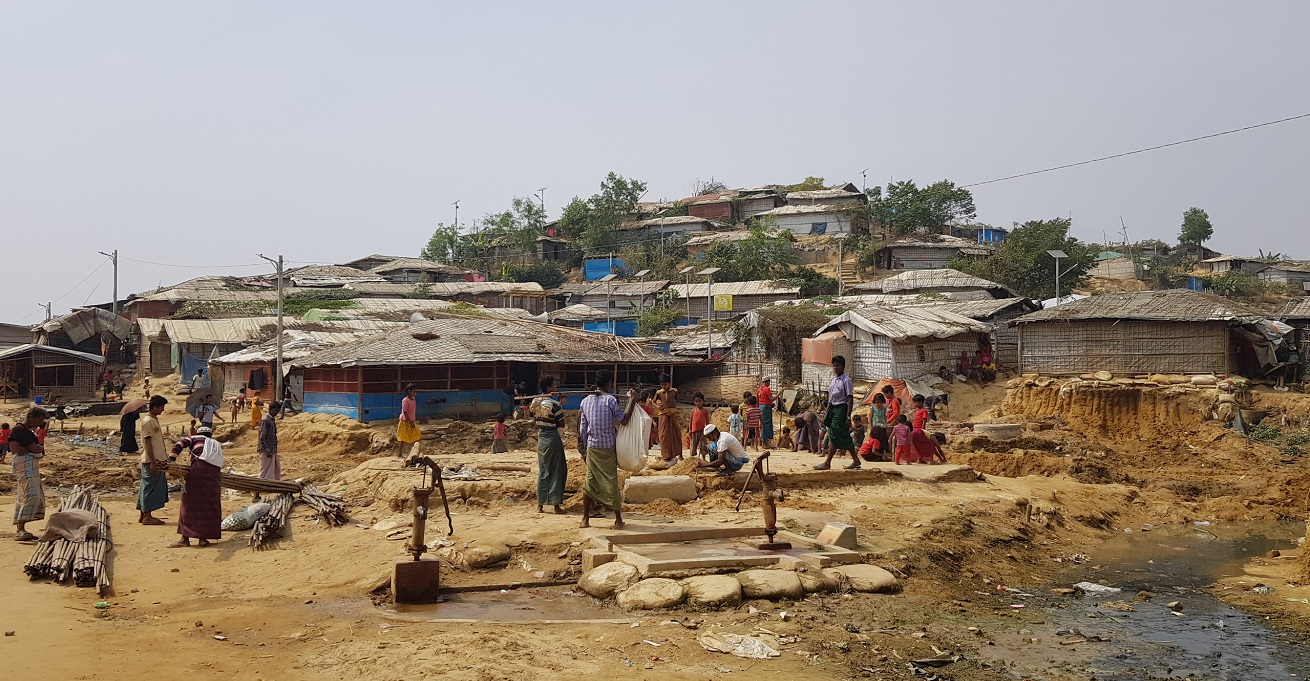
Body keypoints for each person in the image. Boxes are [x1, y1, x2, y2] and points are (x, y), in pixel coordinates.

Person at [577, 369, 637, 530]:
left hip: (592, 447)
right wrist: (632, 401)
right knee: (611, 481)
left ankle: (585, 519)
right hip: (608, 447)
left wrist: (585, 446)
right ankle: (618, 520)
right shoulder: (610, 400)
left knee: (589, 481)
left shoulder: (585, 402)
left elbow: (583, 429)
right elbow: (623, 420)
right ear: (609, 383)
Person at [168, 425, 223, 548]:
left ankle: (184, 539)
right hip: (214, 475)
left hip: (198, 470)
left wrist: (170, 461)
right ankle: (203, 539)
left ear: (198, 433)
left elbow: (179, 445)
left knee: (188, 503)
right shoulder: (215, 444)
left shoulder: (194, 438)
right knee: (208, 504)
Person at [9, 408, 48, 541]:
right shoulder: (20, 430)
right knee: (31, 494)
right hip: (24, 466)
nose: (39, 423)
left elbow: (36, 449)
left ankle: (21, 528)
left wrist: (30, 449)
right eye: (38, 420)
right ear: (30, 417)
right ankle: (20, 528)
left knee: (25, 495)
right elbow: (33, 448)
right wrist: (34, 448)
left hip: (30, 465)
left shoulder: (28, 431)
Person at [816, 356, 859, 470]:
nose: (835, 368)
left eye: (837, 365)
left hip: (841, 408)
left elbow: (850, 398)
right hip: (833, 408)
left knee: (833, 433)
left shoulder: (846, 380)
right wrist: (826, 412)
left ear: (843, 366)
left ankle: (827, 462)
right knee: (842, 434)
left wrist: (848, 416)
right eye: (833, 365)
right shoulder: (833, 380)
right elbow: (830, 398)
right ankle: (856, 459)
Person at [531, 376, 567, 514]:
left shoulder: (535, 402)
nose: (556, 387)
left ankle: (540, 504)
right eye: (554, 385)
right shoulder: (554, 404)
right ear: (548, 388)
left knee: (543, 469)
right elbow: (561, 423)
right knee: (557, 470)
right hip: (552, 437)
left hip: (541, 437)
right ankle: (556, 505)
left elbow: (536, 419)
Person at [137, 396, 170, 525]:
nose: (163, 410)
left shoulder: (153, 420)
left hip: (158, 459)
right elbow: (147, 441)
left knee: (147, 486)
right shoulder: (148, 421)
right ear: (155, 407)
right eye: (161, 407)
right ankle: (147, 516)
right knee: (150, 487)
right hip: (152, 460)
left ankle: (143, 514)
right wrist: (152, 461)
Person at [653, 374, 682, 463]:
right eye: (662, 385)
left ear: (669, 383)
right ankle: (666, 454)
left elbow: (676, 400)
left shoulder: (674, 391)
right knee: (664, 435)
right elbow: (653, 402)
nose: (663, 386)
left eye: (665, 384)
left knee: (675, 434)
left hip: (672, 415)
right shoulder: (659, 393)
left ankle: (678, 453)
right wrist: (658, 406)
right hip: (663, 415)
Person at [909, 395, 939, 464]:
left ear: (921, 402)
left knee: (924, 443)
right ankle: (927, 459)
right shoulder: (918, 410)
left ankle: (923, 459)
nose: (914, 404)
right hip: (915, 429)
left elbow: (924, 421)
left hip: (919, 429)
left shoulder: (923, 411)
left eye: (915, 402)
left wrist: (922, 429)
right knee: (928, 443)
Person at [258, 401, 282, 480]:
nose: (276, 413)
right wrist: (267, 450)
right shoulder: (265, 420)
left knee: (275, 469)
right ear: (271, 409)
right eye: (276, 411)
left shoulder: (272, 419)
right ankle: (259, 487)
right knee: (264, 470)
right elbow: (262, 437)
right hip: (266, 450)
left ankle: (271, 485)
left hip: (272, 449)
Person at [397, 384, 421, 458]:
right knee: (403, 438)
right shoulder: (405, 400)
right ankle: (400, 454)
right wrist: (410, 421)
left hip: (412, 420)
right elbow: (405, 412)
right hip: (405, 421)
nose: (415, 393)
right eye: (414, 392)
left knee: (416, 436)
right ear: (409, 391)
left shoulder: (413, 399)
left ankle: (413, 453)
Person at [687, 392, 709, 459]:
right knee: (693, 445)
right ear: (694, 402)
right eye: (696, 401)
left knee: (703, 445)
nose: (698, 403)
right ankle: (692, 458)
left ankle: (703, 458)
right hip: (694, 431)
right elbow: (691, 420)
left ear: (703, 401)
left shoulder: (705, 411)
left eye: (699, 401)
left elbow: (707, 421)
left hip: (702, 431)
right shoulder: (693, 410)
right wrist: (690, 429)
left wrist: (707, 430)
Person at [869, 392, 890, 458]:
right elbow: (870, 417)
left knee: (884, 439)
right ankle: (876, 452)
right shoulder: (873, 408)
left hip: (883, 426)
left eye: (880, 402)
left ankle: (886, 453)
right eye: (877, 402)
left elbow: (884, 417)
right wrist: (871, 426)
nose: (879, 404)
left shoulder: (884, 409)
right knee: (876, 440)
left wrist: (886, 424)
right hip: (876, 427)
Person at [757, 377, 775, 446]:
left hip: (761, 407)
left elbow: (759, 400)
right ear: (768, 382)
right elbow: (772, 399)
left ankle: (763, 442)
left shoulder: (760, 389)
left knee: (763, 423)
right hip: (766, 407)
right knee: (767, 424)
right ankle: (765, 442)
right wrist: (779, 393)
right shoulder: (767, 389)